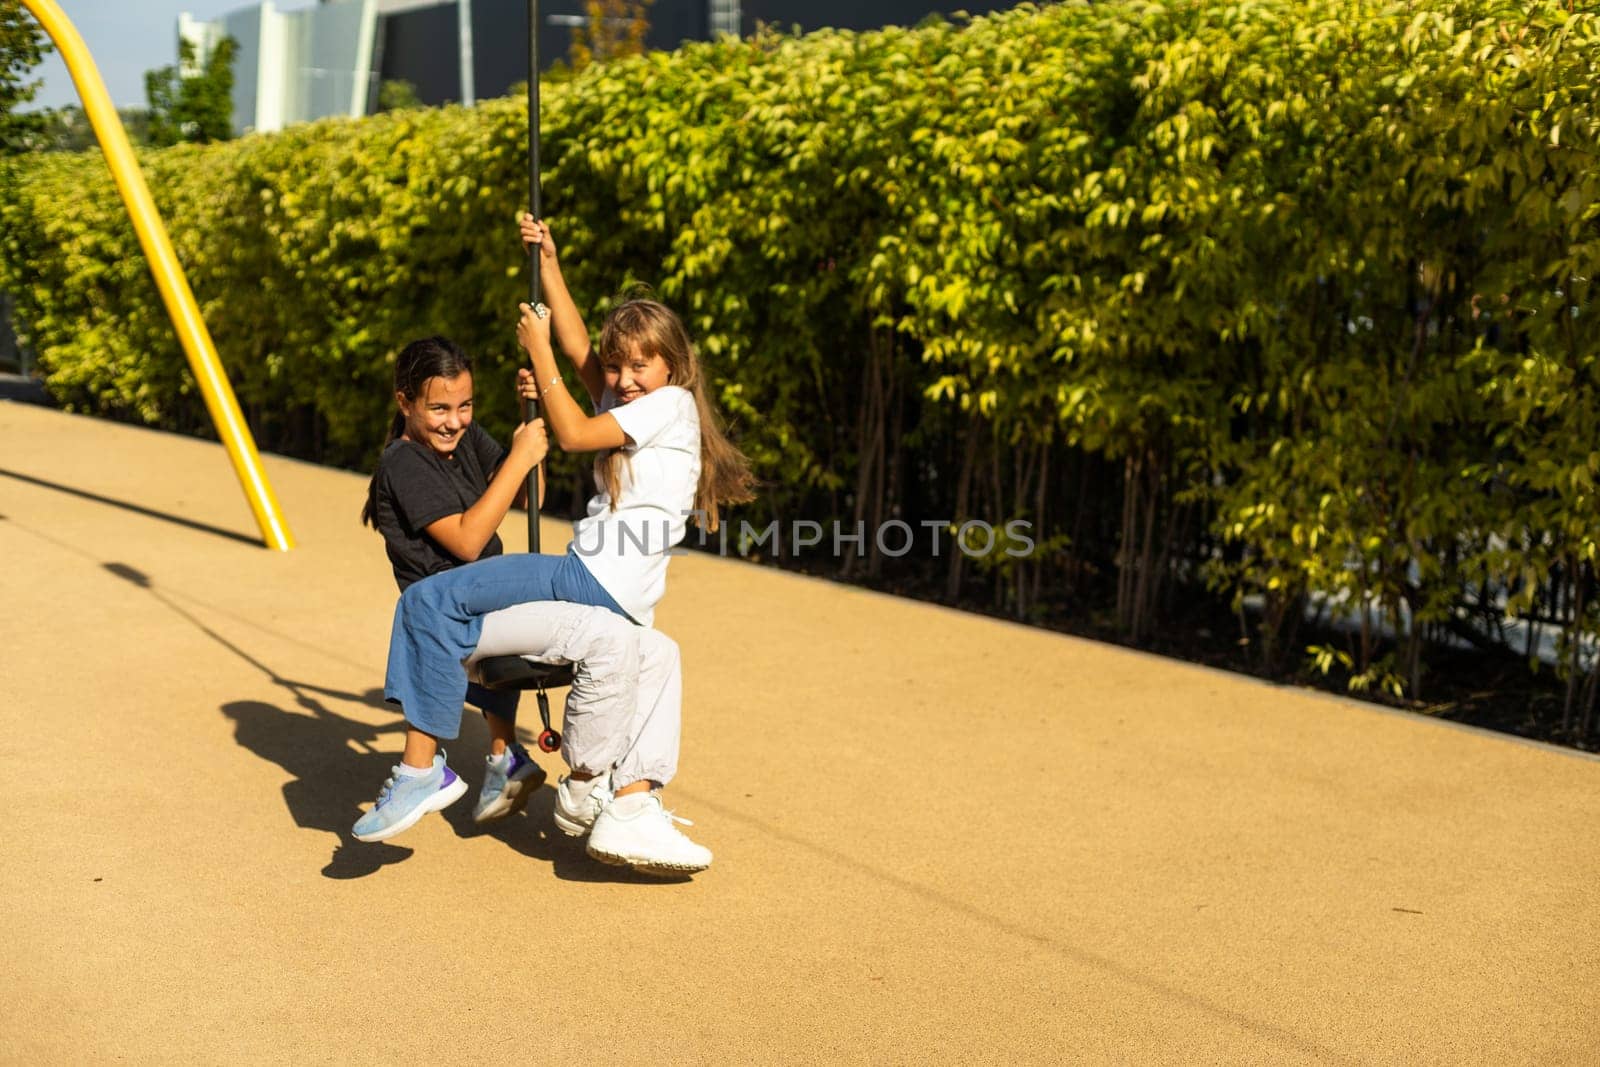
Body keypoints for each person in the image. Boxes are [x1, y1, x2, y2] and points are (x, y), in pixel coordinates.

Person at [358, 215, 754, 866]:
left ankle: (423, 769)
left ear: (674, 365)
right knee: (643, 649)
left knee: (425, 604)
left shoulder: (667, 405)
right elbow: (581, 353)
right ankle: (626, 800)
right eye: (619, 365)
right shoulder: (649, 406)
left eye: (640, 365)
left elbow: (568, 430)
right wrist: (550, 263)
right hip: (614, 586)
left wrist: (536, 350)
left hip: (590, 575)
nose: (623, 377)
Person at [353, 336, 552, 840]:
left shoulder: (464, 438)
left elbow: (531, 496)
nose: (454, 421)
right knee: (429, 618)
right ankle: (447, 767)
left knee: (484, 663)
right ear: (405, 402)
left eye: (465, 406)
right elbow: (466, 541)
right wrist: (518, 459)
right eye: (439, 408)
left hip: (480, 592)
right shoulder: (402, 462)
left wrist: (529, 442)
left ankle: (497, 757)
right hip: (450, 602)